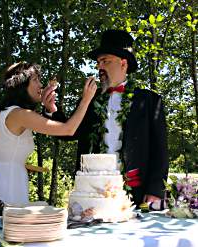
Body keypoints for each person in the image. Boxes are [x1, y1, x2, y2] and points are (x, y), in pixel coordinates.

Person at [42, 30, 169, 207]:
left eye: (105, 61)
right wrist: (51, 110)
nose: (99, 67)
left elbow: (160, 150)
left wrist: (155, 190)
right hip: (93, 192)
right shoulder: (89, 100)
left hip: (136, 192)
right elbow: (69, 133)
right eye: (98, 62)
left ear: (123, 63)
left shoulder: (149, 101)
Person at [0, 62, 97, 205]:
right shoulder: (21, 114)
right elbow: (68, 129)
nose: (40, 85)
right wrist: (86, 100)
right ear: (21, 85)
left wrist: (17, 164)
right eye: (35, 80)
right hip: (7, 185)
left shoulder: (7, 112)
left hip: (1, 179)